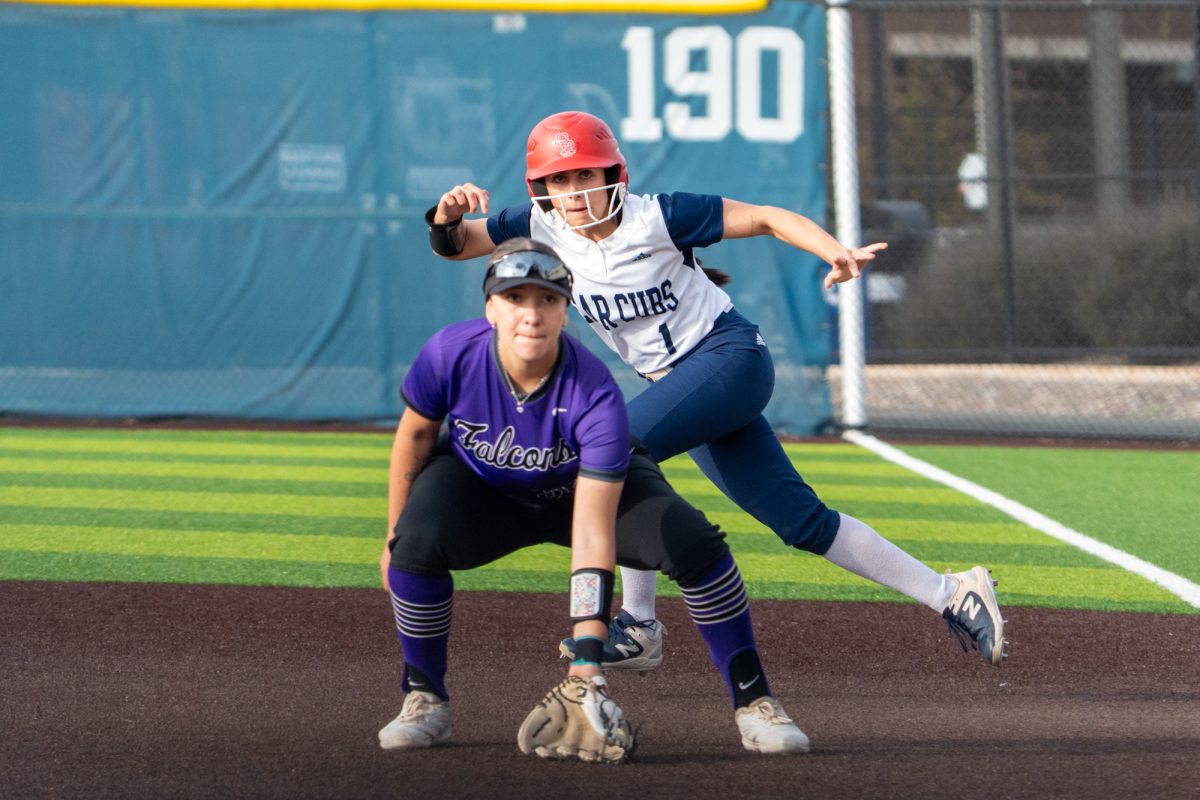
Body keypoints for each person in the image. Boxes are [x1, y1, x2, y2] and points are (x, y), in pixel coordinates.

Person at [423, 111, 1007, 672]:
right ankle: (953, 592)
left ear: (612, 178)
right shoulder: (539, 224)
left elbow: (766, 217)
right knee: (801, 523)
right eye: (558, 179)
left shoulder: (658, 217)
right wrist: (444, 217)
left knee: (611, 452)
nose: (573, 190)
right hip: (684, 384)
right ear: (540, 188)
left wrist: (833, 251)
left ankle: (639, 624)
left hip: (730, 360)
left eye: (584, 175)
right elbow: (455, 245)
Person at [378, 237, 810, 758]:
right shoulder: (450, 354)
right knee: (414, 543)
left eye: (547, 299)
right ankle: (424, 698)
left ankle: (754, 702)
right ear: (490, 308)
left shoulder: (593, 393)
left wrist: (587, 659)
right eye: (515, 299)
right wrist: (392, 536)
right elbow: (417, 437)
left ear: (567, 310)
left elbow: (591, 529)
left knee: (696, 545)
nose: (531, 315)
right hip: (484, 489)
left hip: (580, 496)